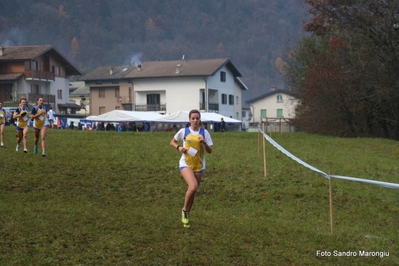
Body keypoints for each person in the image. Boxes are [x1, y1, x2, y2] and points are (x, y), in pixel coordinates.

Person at [170, 109, 213, 228]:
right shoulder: (184, 131)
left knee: (193, 192)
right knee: (193, 186)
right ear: (189, 120)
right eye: (193, 118)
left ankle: (186, 216)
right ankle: (184, 210)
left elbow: (210, 151)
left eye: (197, 118)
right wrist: (179, 147)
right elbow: (172, 142)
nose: (195, 120)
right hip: (185, 164)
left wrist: (204, 142)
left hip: (199, 166)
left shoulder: (204, 133)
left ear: (200, 120)